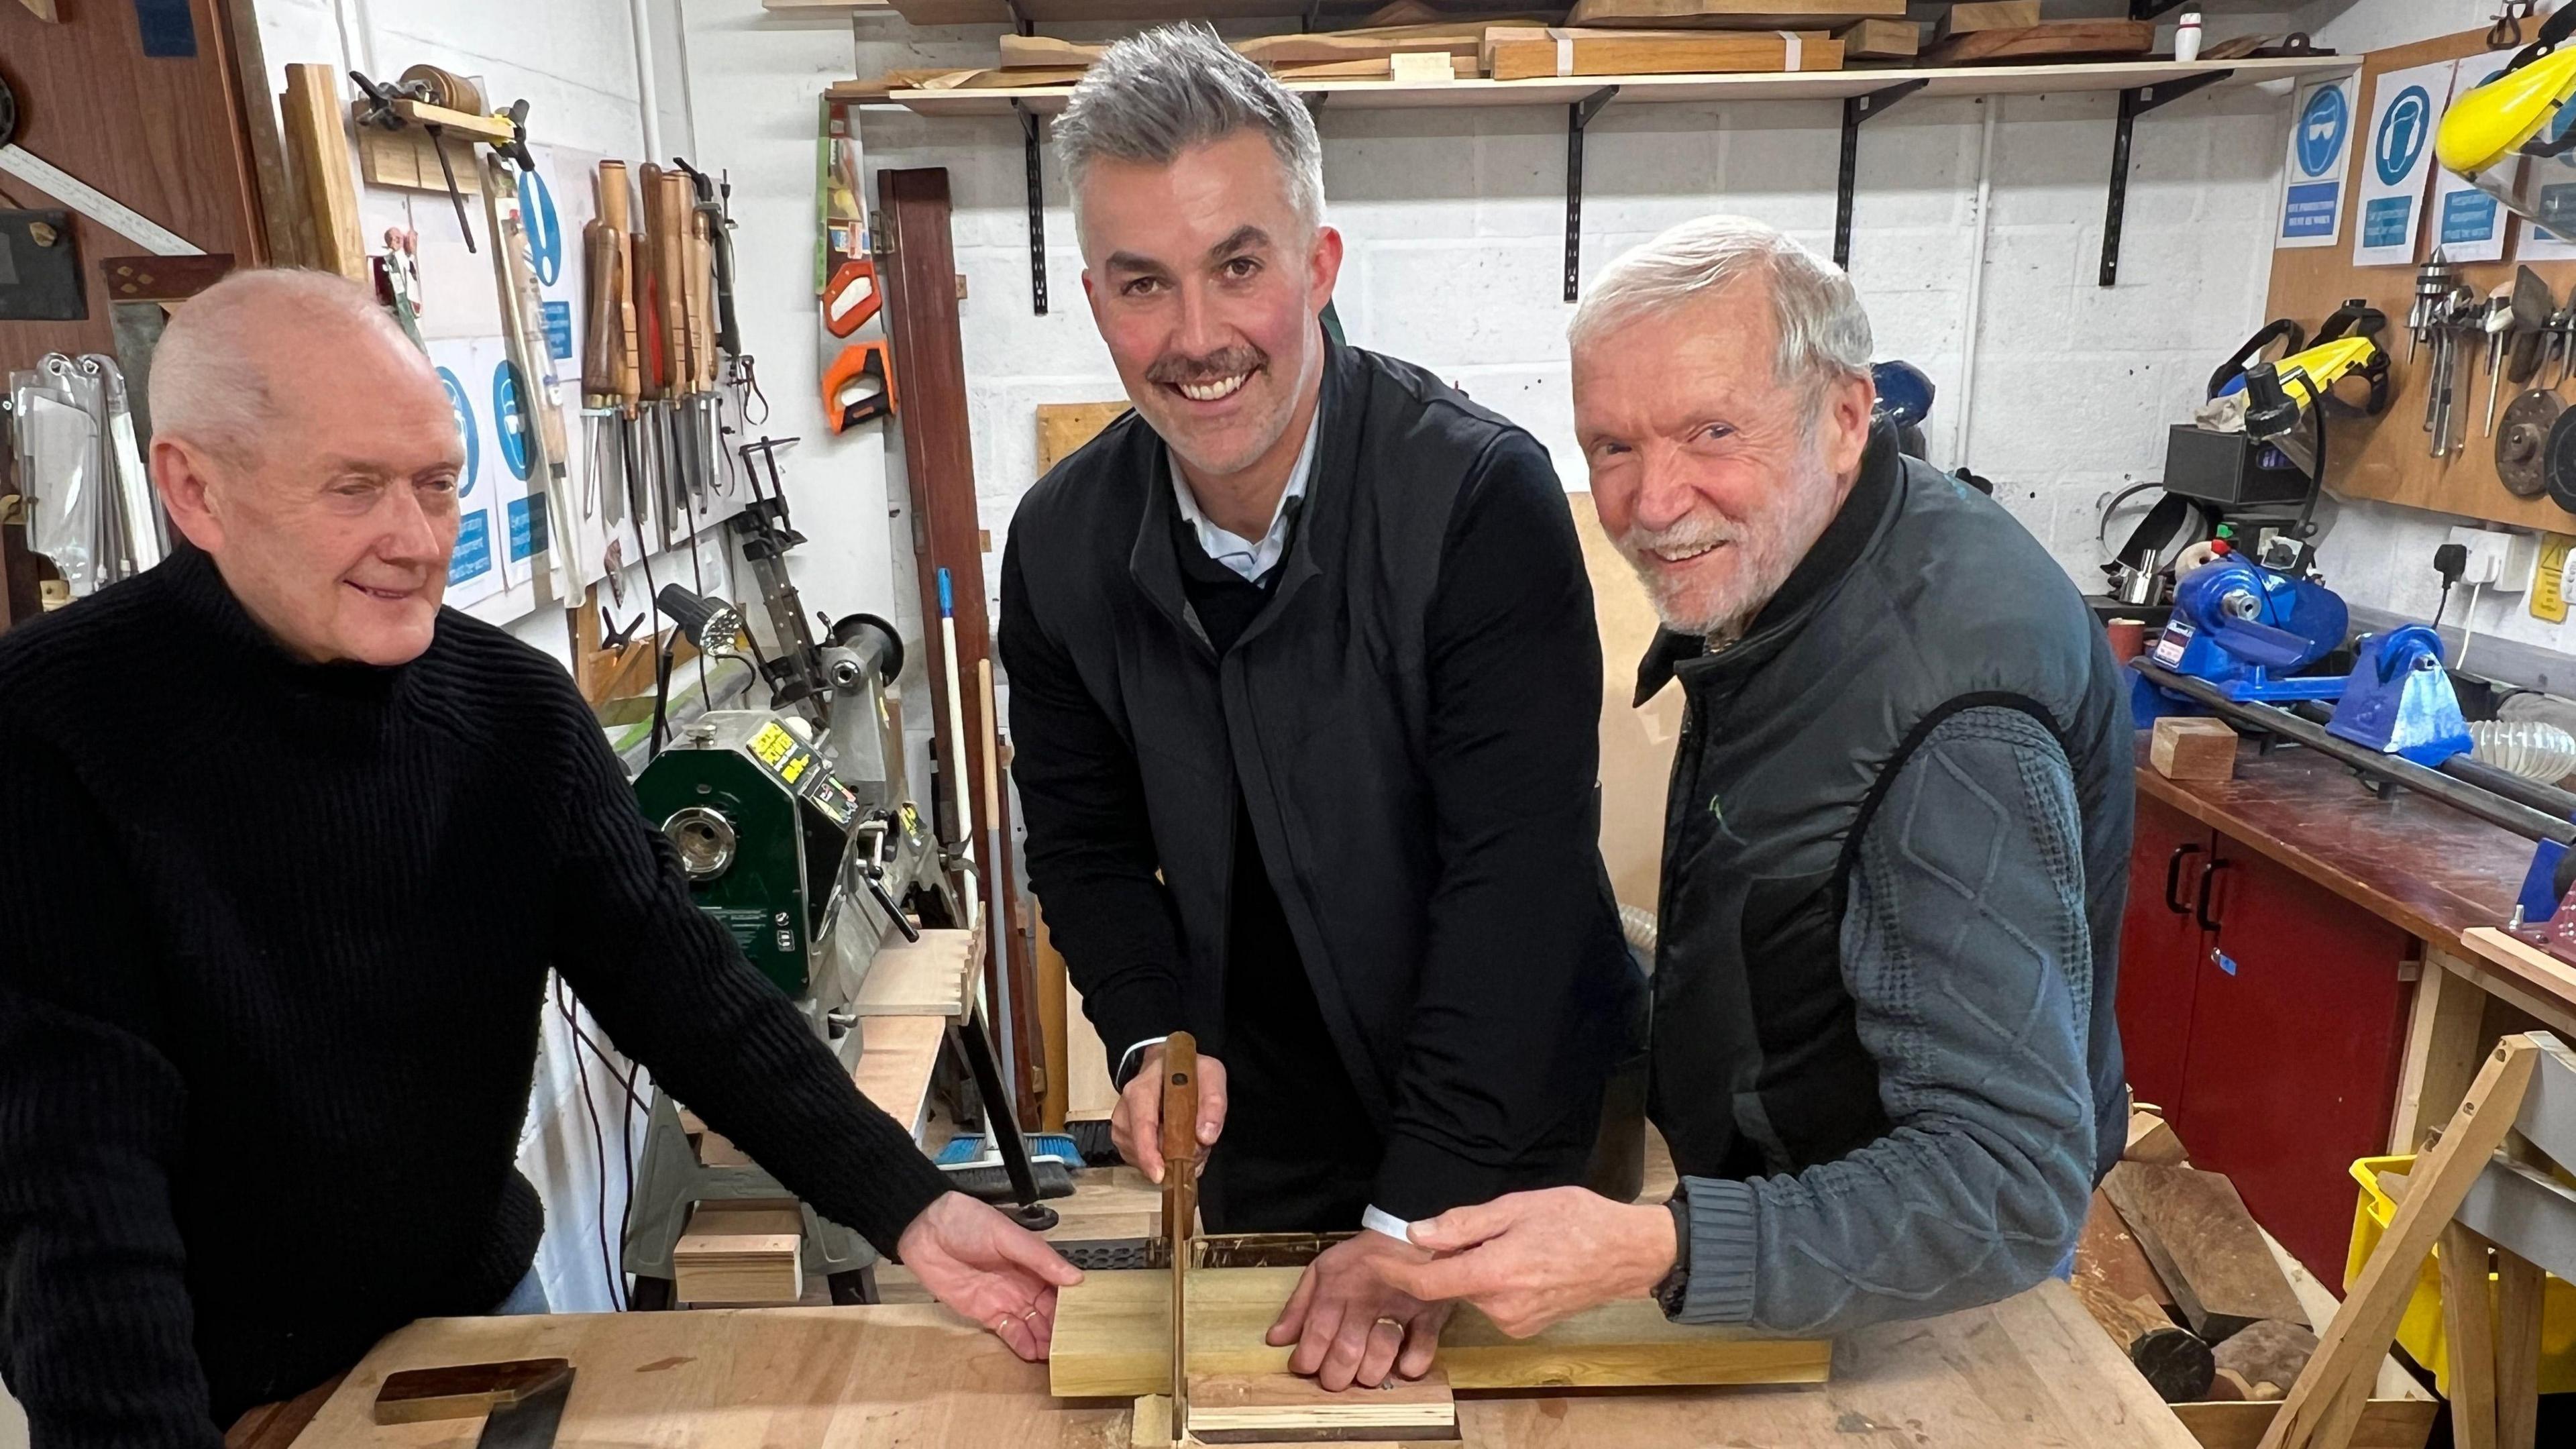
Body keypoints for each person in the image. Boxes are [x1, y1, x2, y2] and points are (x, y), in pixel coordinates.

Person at [0, 269, 1079, 1445]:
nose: (414, 542)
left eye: (436, 483)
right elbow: (74, 1185)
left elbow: (685, 990)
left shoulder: (513, 709)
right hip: (212, 1395)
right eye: (354, 489)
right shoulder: (48, 732)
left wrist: (909, 1203)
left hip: (477, 1326)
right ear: (194, 490)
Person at [1000, 25, 1643, 1392]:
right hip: (1258, 1117)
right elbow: (1084, 844)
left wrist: (1417, 1217)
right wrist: (1148, 1038)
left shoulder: (1479, 500)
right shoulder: (1060, 544)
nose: (1194, 337)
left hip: (1501, 1099)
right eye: (1141, 284)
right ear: (1094, 294)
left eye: (1238, 266)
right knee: (1267, 1396)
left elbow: (1515, 879)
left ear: (1318, 264)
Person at [1374, 216, 2133, 1340]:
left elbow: (2004, 1185)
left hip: (1921, 1286)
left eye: (1711, 432)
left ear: (1843, 416)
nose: (1653, 503)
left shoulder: (1953, 715)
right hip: (1808, 1237)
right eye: (1612, 448)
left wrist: (1661, 1245)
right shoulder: (1811, 576)